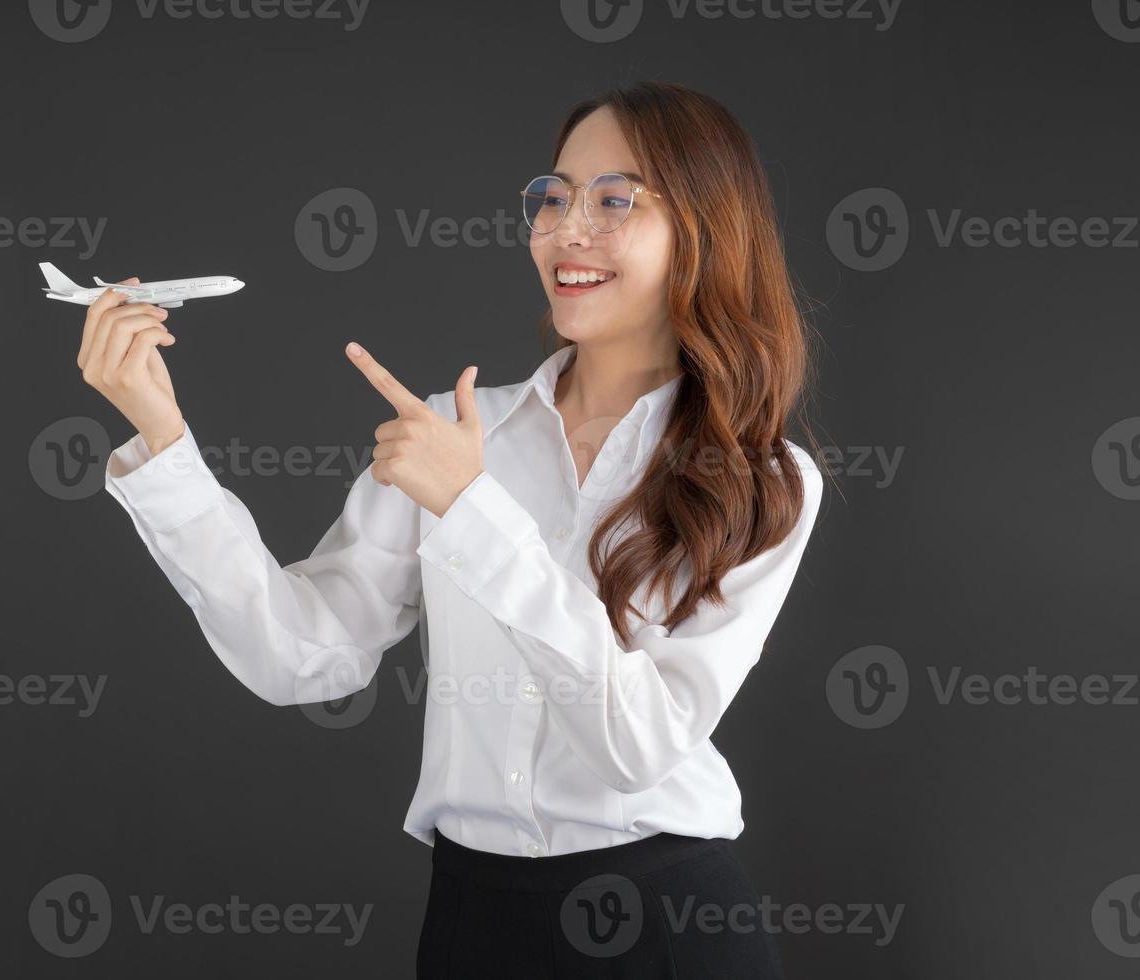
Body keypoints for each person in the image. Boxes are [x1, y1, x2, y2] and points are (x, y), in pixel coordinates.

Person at [75, 80, 823, 978]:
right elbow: (299, 654)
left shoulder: (763, 480)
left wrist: (473, 511)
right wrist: (164, 437)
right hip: (475, 921)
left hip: (672, 927)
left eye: (614, 200)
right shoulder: (457, 434)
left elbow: (640, 747)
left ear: (704, 230)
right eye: (552, 197)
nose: (565, 228)